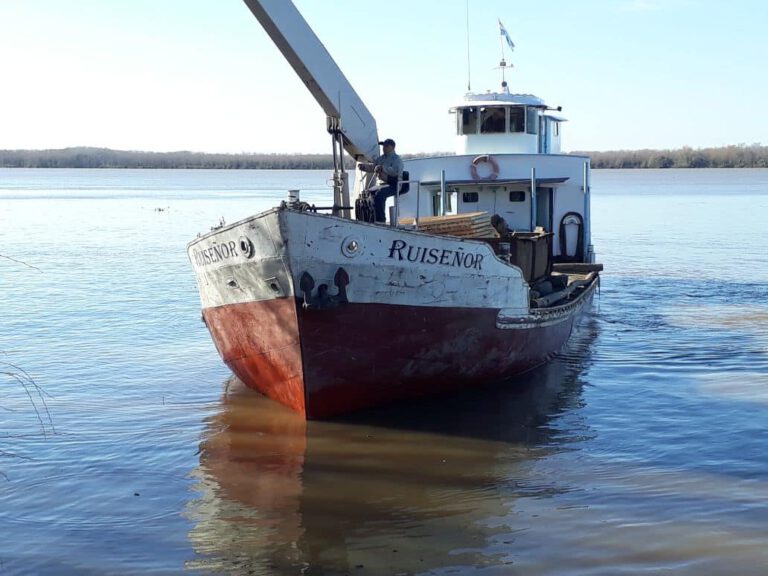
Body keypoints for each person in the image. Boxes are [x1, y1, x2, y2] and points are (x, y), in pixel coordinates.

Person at [359, 138, 403, 223]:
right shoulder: (381, 159)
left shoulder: (397, 159)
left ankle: (381, 220)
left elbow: (395, 171)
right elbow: (373, 167)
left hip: (394, 184)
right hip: (382, 184)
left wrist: (383, 168)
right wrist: (364, 167)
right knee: (368, 193)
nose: (384, 148)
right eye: (383, 146)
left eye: (386, 146)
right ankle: (371, 219)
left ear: (392, 147)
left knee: (380, 195)